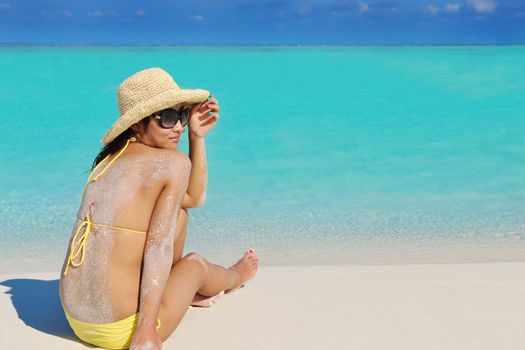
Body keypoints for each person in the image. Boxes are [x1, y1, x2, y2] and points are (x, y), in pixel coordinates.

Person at [59, 67, 259, 350]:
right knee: (195, 265)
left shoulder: (106, 162)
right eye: (166, 117)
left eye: (182, 115)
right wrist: (145, 331)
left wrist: (196, 136)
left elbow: (190, 198)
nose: (178, 126)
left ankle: (177, 290)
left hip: (75, 320)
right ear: (137, 125)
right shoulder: (172, 164)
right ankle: (235, 277)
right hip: (120, 330)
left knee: (178, 214)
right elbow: (159, 247)